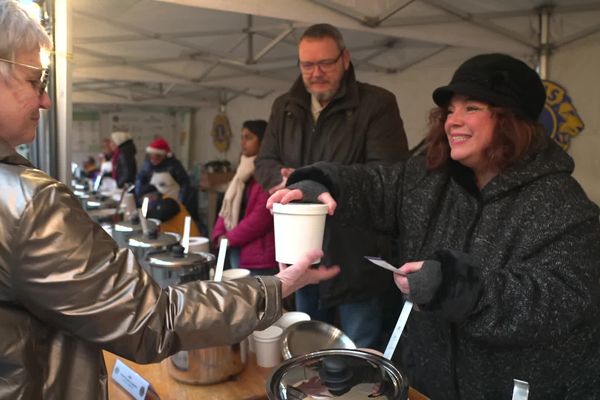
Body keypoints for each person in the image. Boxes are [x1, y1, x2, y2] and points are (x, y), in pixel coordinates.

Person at [0, 2, 339, 398]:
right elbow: (150, 318)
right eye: (36, 80)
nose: (46, 100)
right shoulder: (28, 202)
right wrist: (275, 287)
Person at [268, 53, 600, 399]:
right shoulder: (430, 180)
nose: (453, 121)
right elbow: (374, 183)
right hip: (428, 385)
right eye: (450, 111)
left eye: (470, 108)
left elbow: (561, 300)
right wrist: (320, 184)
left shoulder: (561, 202)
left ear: (512, 119)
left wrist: (457, 288)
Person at [255, 23, 409, 348]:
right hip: (302, 250)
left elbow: (390, 175)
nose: (316, 73)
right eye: (307, 65)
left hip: (356, 252)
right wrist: (292, 180)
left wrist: (313, 179)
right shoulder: (285, 107)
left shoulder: (377, 104)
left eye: (325, 63)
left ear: (345, 58)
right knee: (306, 342)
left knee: (357, 348)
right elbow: (264, 163)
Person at [211, 120, 278, 275]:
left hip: (259, 255)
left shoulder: (269, 172)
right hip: (236, 247)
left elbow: (262, 217)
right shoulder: (242, 170)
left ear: (263, 141)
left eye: (248, 137)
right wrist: (220, 234)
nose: (243, 142)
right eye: (241, 137)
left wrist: (229, 238)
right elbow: (227, 206)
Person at [135, 136, 200, 224]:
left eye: (156, 158)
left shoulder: (174, 166)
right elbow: (140, 181)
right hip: (154, 204)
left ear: (163, 155)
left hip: (172, 205)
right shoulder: (148, 165)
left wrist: (181, 203)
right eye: (151, 158)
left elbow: (185, 184)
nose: (153, 160)